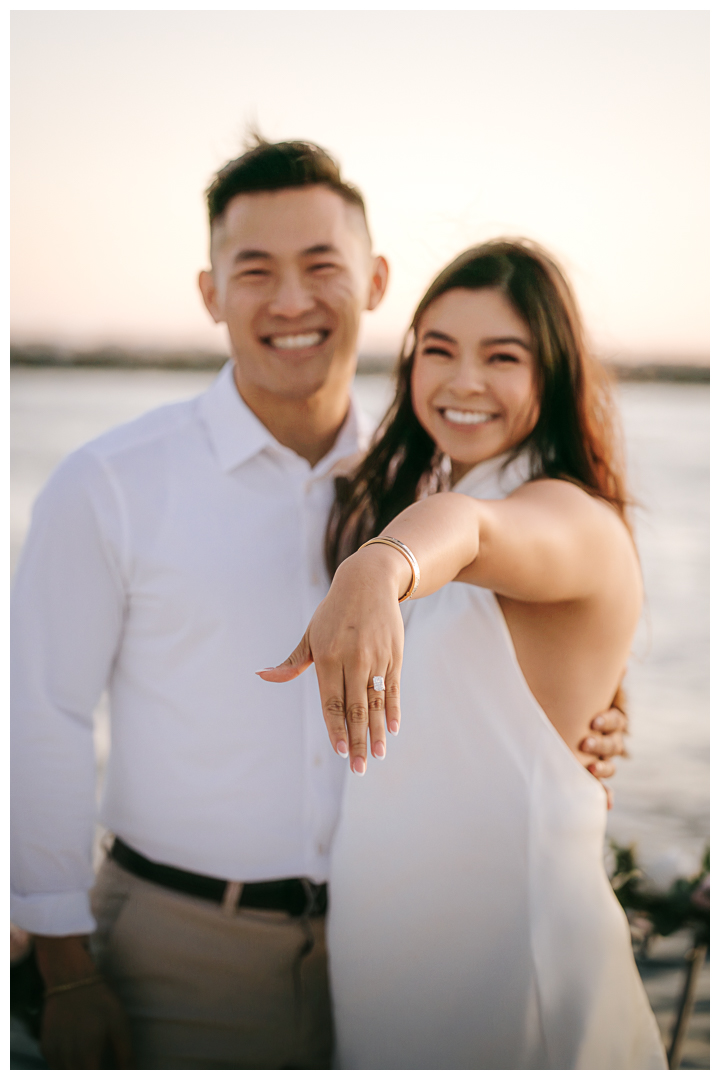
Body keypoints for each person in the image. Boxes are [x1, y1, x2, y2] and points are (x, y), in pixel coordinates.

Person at [11, 141, 627, 1070]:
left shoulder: (413, 490)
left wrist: (584, 716)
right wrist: (62, 967)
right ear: (211, 293)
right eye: (255, 270)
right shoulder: (110, 484)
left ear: (375, 281)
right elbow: (40, 716)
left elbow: (504, 564)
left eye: (321, 266)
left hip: (383, 961)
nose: (291, 300)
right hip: (188, 949)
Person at [260, 240, 667, 1068]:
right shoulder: (431, 500)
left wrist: (381, 565)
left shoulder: (567, 515)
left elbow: (479, 535)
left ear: (551, 375)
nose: (463, 380)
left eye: (502, 356)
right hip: (393, 982)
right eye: (437, 350)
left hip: (514, 991)